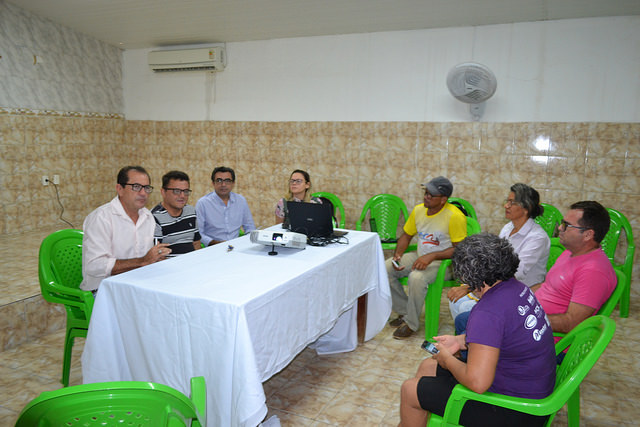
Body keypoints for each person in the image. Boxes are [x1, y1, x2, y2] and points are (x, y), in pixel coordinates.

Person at [399, 233, 556, 427]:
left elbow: (477, 383)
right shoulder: (516, 288)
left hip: (515, 410)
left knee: (409, 390)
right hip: (533, 390)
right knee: (427, 367)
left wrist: (447, 360)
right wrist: (460, 340)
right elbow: (505, 334)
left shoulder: (486, 312)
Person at [448, 183, 550, 334]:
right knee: (455, 299)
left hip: (520, 292)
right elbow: (493, 260)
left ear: (526, 208)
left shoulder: (537, 237)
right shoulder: (508, 228)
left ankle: (480, 345)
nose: (506, 206)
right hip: (498, 285)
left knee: (465, 307)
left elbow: (515, 273)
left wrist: (472, 286)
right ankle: (470, 344)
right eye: (507, 201)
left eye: (512, 202)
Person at [387, 176, 467, 339]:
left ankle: (411, 324)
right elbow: (406, 236)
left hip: (445, 263)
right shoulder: (418, 210)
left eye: (431, 195)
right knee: (386, 268)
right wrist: (398, 255)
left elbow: (460, 250)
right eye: (426, 192)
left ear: (444, 199)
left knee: (417, 278)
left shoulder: (455, 216)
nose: (426, 197)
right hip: (421, 256)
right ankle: (404, 312)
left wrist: (433, 256)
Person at [532, 201, 616, 336]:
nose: (559, 228)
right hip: (532, 323)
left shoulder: (593, 272)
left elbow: (571, 323)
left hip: (547, 341)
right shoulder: (570, 252)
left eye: (566, 225)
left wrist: (526, 319)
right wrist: (518, 296)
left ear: (588, 235)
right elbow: (547, 286)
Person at [81, 166, 171, 292]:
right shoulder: (101, 218)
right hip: (104, 291)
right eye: (136, 187)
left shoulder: (147, 216)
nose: (143, 193)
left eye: (146, 188)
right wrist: (142, 261)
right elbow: (94, 266)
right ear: (120, 189)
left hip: (137, 285)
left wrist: (155, 258)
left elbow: (145, 260)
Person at [196, 166, 256, 246]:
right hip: (212, 248)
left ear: (233, 183)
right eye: (219, 180)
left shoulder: (241, 201)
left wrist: (247, 242)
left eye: (227, 181)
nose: (223, 184)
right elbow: (198, 233)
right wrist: (212, 242)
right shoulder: (202, 203)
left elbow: (250, 227)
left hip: (236, 246)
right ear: (213, 183)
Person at [152, 170, 201, 256]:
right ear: (163, 192)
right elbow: (157, 256)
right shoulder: (154, 218)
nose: (182, 196)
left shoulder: (191, 211)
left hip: (193, 263)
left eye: (186, 191)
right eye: (176, 191)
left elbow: (196, 243)